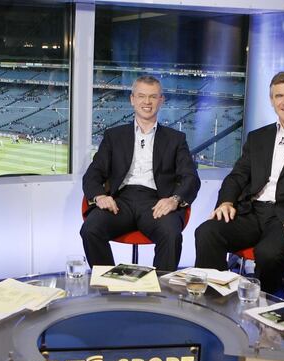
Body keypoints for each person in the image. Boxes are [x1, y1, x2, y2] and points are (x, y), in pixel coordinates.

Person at [194, 71, 284, 291]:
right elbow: (238, 176)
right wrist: (226, 201)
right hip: (252, 213)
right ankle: (214, 300)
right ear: (272, 100)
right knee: (207, 232)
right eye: (279, 96)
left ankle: (261, 311)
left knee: (268, 253)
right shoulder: (258, 137)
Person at [80, 75, 200, 271]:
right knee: (90, 229)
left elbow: (191, 178)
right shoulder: (114, 136)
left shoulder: (176, 139)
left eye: (153, 97)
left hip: (157, 202)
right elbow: (93, 174)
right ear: (132, 99)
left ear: (161, 100)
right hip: (120, 201)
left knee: (171, 234)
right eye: (142, 96)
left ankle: (159, 293)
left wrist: (175, 199)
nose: (147, 102)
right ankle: (108, 287)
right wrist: (99, 196)